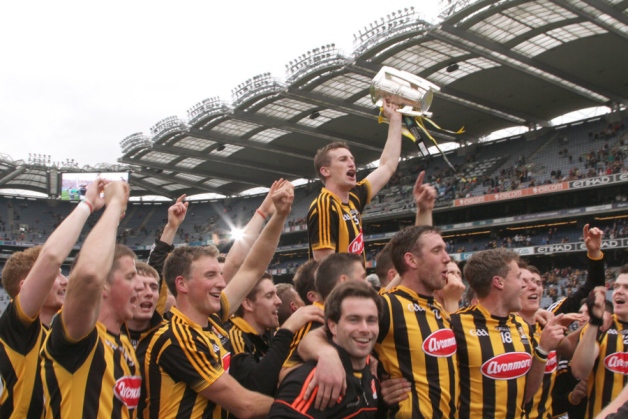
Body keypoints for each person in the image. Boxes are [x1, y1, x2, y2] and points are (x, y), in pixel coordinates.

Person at [142, 181, 294, 418]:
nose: (222, 283)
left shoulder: (211, 320)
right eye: (210, 275)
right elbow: (244, 404)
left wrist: (279, 216)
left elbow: (252, 268)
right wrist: (306, 407)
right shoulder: (177, 338)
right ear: (182, 284)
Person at [0, 178, 105, 418]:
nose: (65, 281)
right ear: (26, 286)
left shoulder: (62, 333)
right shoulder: (18, 331)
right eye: (56, 276)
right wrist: (87, 203)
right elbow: (50, 258)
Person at [41, 180, 144, 418]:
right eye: (130, 277)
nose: (139, 286)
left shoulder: (125, 344)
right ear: (104, 286)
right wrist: (114, 205)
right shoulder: (79, 337)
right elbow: (88, 274)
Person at [449, 248, 565, 419]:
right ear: (499, 282)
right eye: (518, 278)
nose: (523, 286)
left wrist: (543, 350)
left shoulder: (522, 326)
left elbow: (526, 394)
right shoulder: (455, 325)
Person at [520, 224, 605, 419]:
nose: (534, 288)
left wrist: (595, 254)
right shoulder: (502, 325)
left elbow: (592, 289)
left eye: (538, 283)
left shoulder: (551, 318)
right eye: (525, 283)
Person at [268, 281, 383, 418]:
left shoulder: (371, 370)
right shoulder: (314, 380)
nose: (365, 329)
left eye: (371, 320)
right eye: (354, 320)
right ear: (332, 326)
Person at [307, 100, 402, 261]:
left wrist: (395, 119)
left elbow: (388, 165)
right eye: (343, 159)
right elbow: (324, 265)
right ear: (325, 171)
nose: (352, 163)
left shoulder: (355, 196)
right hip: (340, 286)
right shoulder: (324, 204)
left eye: (352, 159)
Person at [227, 274, 324, 395]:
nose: (279, 301)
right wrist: (287, 329)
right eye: (269, 296)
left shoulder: (268, 334)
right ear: (248, 304)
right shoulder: (234, 338)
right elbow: (256, 387)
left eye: (276, 294)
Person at [570, 271, 628, 418]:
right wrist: (594, 322)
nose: (619, 291)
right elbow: (579, 371)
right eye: (616, 287)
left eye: (627, 287)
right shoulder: (601, 327)